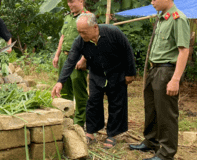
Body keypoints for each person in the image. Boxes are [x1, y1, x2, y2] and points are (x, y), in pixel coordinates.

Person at [52, 13, 136, 149]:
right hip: (96, 74)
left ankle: (112, 134)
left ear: (95, 27)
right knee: (93, 102)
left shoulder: (113, 32)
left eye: (83, 32)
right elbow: (71, 61)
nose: (81, 35)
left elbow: (127, 51)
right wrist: (60, 81)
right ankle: (91, 132)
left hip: (116, 72)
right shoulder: (80, 41)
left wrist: (130, 73)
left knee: (116, 103)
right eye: (79, 32)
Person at [129, 0, 190, 160]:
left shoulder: (178, 18)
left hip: (167, 71)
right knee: (152, 108)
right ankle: (151, 141)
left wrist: (175, 79)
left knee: (166, 113)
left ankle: (166, 153)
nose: (152, 2)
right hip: (155, 70)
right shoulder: (162, 18)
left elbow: (183, 51)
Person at [52, 0, 89, 127]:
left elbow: (91, 40)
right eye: (68, 1)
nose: (69, 4)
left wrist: (84, 59)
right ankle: (67, 119)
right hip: (64, 58)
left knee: (79, 92)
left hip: (78, 59)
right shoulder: (68, 18)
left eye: (72, 1)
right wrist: (57, 55)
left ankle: (79, 122)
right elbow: (62, 37)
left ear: (81, 0)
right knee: (64, 88)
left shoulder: (87, 17)